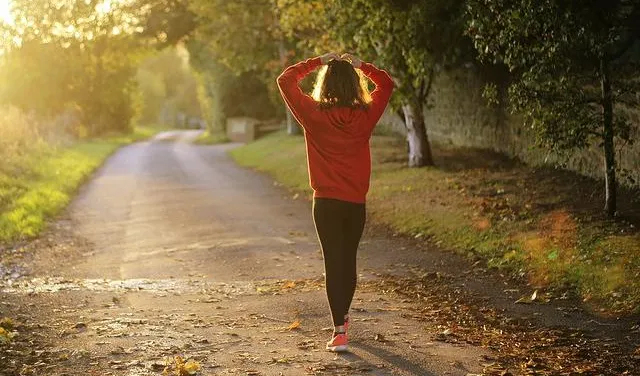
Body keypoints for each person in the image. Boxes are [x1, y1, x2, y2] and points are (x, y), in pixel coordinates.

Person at [276, 52, 394, 352]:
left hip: (325, 203)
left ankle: (339, 330)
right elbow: (386, 83)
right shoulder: (366, 115)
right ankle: (343, 317)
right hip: (354, 203)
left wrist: (318, 61)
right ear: (355, 85)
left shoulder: (313, 114)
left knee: (333, 262)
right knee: (348, 260)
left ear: (325, 84)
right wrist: (361, 65)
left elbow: (285, 80)